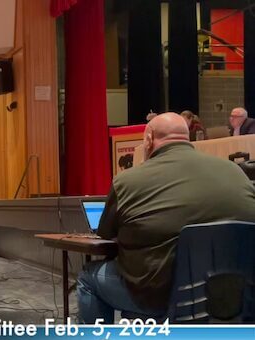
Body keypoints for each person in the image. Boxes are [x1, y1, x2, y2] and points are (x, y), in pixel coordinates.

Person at [77, 112, 255, 324]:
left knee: (89, 277)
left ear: (149, 139)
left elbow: (107, 235)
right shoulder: (234, 171)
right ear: (187, 136)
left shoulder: (127, 181)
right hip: (233, 295)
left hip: (158, 298)